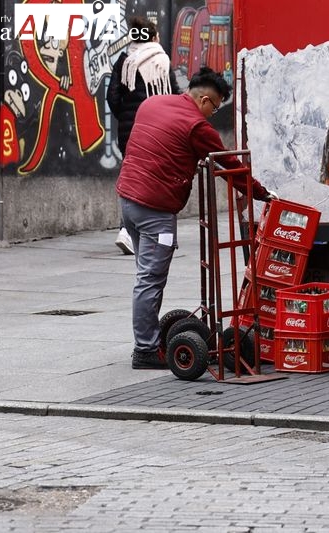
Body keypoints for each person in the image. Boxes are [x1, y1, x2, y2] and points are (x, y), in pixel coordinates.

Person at [117, 67, 275, 369]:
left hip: (128, 201)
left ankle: (148, 338)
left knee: (145, 275)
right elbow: (229, 166)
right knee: (150, 279)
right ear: (204, 99)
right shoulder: (196, 126)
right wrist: (260, 193)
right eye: (214, 108)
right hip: (156, 210)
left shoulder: (151, 104)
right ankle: (145, 350)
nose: (212, 114)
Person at [107, 16, 180, 255]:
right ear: (154, 36)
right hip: (160, 130)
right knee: (158, 177)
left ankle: (127, 230)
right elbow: (173, 93)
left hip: (130, 131)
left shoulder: (124, 60)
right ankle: (157, 232)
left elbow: (112, 96)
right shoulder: (161, 60)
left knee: (131, 178)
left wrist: (127, 119)